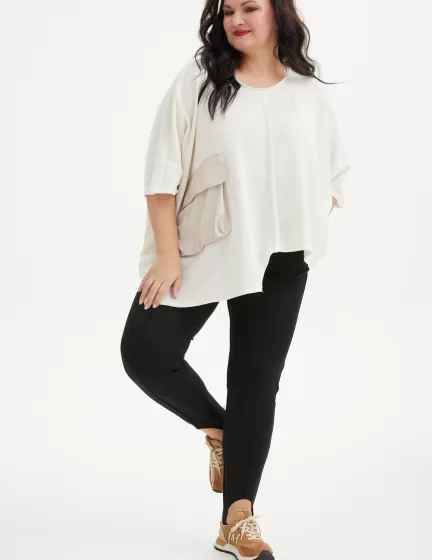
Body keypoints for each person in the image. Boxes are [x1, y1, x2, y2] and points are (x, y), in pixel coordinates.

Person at [120, 0, 351, 558]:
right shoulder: (200, 81)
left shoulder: (307, 91)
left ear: (279, 14)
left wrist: (302, 217)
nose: (237, 20)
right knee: (145, 351)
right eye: (227, 11)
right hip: (207, 245)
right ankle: (221, 428)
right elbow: (161, 172)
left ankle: (237, 519)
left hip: (281, 258)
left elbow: (331, 173)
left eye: (250, 7)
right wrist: (168, 256)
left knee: (255, 383)